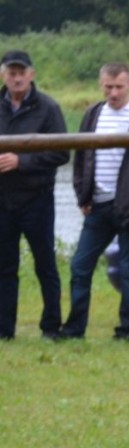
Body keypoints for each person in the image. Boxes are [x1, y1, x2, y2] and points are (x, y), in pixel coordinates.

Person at [61, 63, 129, 341]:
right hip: (98, 204)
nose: (114, 93)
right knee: (80, 266)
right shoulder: (92, 114)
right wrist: (83, 195)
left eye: (119, 87)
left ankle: (127, 330)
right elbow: (81, 159)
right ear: (101, 86)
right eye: (108, 87)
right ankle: (74, 329)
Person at [0, 49, 68, 342]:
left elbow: (61, 153)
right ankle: (4, 330)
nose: (16, 78)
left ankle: (51, 327)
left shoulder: (48, 108)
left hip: (37, 199)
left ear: (32, 75)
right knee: (4, 268)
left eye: (21, 73)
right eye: (11, 73)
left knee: (45, 265)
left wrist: (21, 161)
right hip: (3, 201)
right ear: (3, 75)